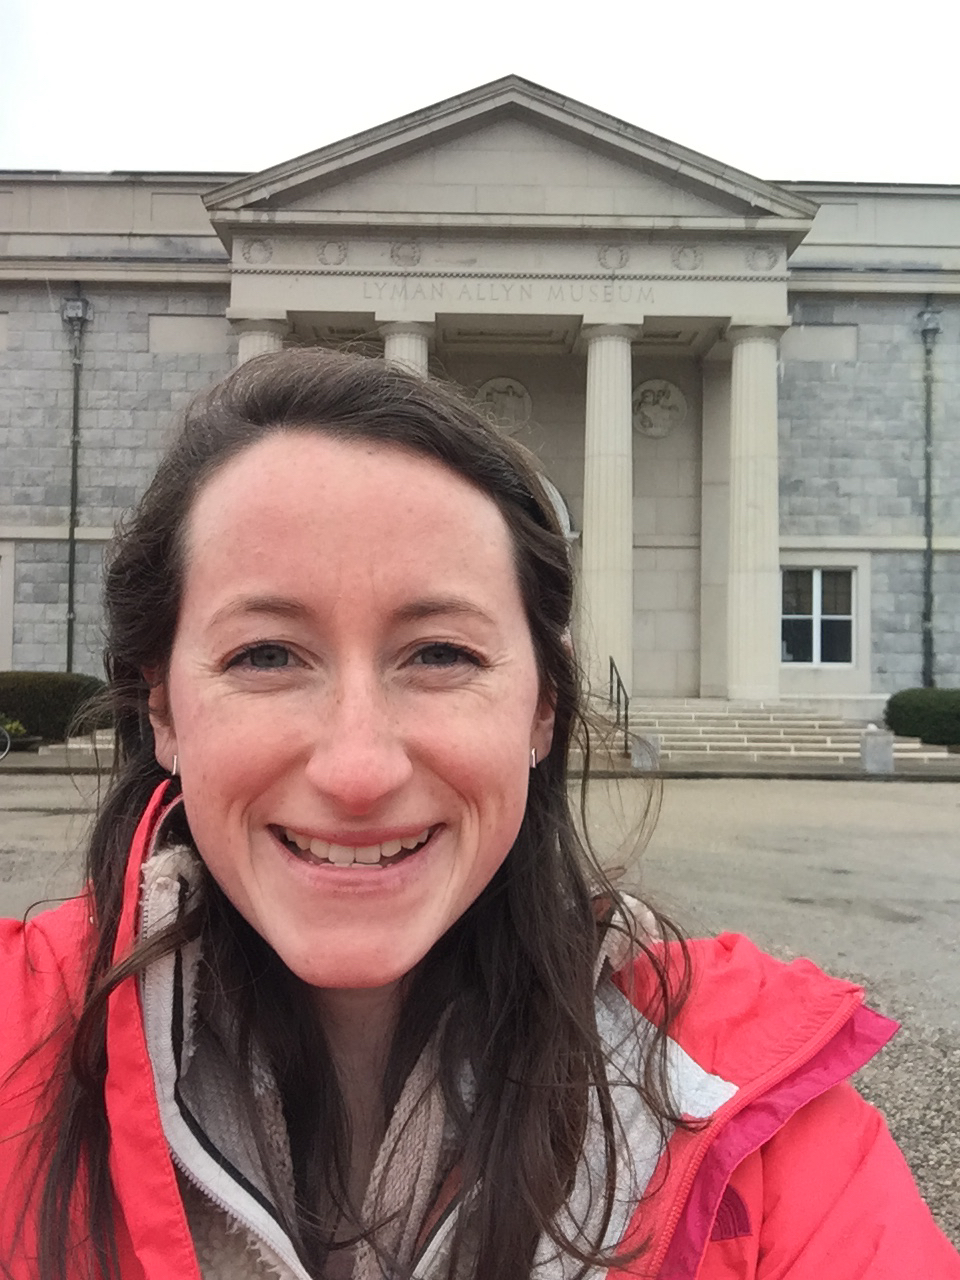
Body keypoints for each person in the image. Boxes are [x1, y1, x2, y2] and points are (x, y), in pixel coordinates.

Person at [1, 349, 957, 1280]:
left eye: (441, 653)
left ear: (544, 702)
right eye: (266, 655)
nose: (359, 767)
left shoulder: (757, 1121)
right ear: (160, 706)